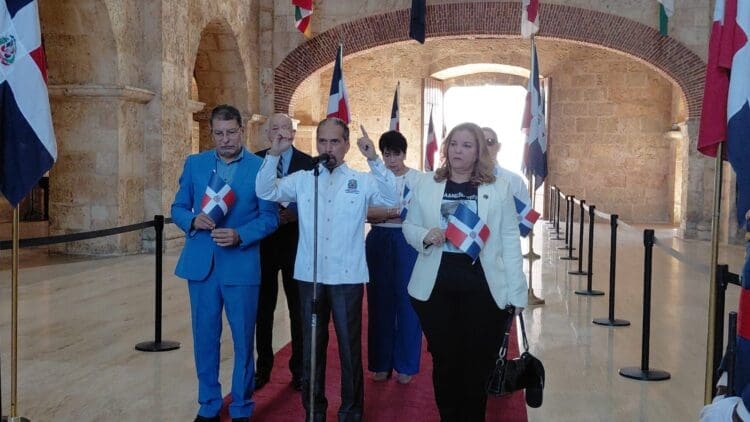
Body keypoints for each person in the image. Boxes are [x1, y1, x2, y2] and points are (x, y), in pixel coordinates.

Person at [255, 117, 399, 422]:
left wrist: (374, 159)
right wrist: (274, 154)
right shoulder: (303, 179)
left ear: (346, 145)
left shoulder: (361, 180)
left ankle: (351, 412)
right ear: (316, 143)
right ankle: (314, 410)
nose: (328, 147)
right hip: (311, 277)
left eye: (335, 142)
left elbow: (391, 196)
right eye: (323, 141)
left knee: (349, 348)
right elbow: (265, 191)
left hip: (347, 277)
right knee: (311, 348)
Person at [402, 122, 527, 421]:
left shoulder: (498, 188)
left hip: (483, 288)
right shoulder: (427, 184)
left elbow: (510, 239)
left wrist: (517, 291)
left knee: (477, 364)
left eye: (467, 145)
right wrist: (425, 235)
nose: (458, 150)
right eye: (454, 144)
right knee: (446, 361)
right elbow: (409, 225)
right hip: (436, 287)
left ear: (478, 151)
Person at [171, 104, 278, 422]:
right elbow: (178, 207)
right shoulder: (195, 163)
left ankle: (242, 406)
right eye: (219, 133)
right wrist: (192, 220)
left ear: (242, 131)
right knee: (204, 337)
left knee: (243, 339)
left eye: (231, 132)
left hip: (241, 265)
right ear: (211, 133)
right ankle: (209, 404)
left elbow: (270, 218)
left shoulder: (260, 167)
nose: (225, 139)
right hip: (201, 265)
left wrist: (240, 235)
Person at [254, 113, 314, 391]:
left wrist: (293, 213)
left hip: (296, 243)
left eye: (285, 128)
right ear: (268, 134)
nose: (280, 132)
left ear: (293, 133)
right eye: (274, 128)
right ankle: (263, 367)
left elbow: (313, 197)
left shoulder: (308, 163)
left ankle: (299, 369)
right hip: (263, 245)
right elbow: (252, 196)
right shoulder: (256, 161)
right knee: (263, 309)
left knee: (298, 309)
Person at [364, 130, 422, 385]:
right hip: (378, 240)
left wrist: (386, 213)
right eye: (386, 155)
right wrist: (394, 213)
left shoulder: (418, 179)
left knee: (408, 302)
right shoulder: (372, 178)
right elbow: (366, 212)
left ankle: (406, 364)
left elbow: (419, 213)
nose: (391, 161)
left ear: (404, 154)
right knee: (379, 302)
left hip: (407, 241)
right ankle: (380, 363)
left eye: (396, 154)